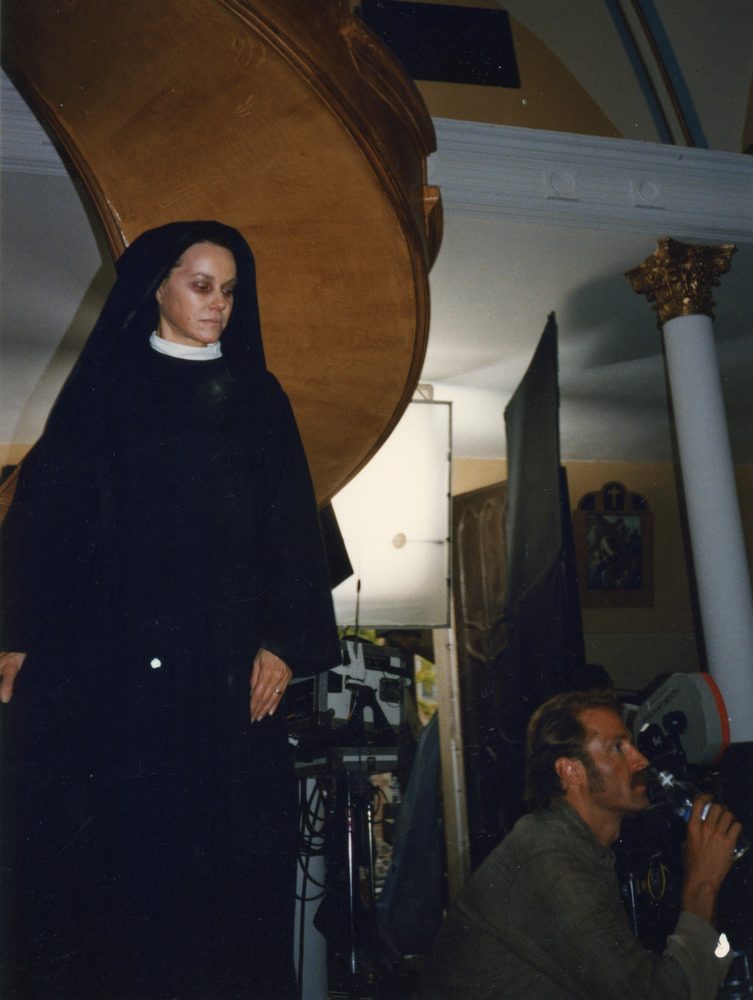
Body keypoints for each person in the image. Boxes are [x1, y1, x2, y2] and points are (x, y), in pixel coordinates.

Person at [0, 220, 341, 999]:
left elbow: (290, 525)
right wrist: (15, 636)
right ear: (157, 286)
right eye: (200, 284)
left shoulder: (257, 397)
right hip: (109, 674)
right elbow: (48, 520)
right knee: (112, 877)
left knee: (218, 885)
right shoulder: (105, 390)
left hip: (217, 679)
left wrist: (282, 643)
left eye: (229, 290)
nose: (217, 303)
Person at [416, 689, 741, 1000]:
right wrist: (703, 884)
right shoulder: (550, 862)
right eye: (618, 747)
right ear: (570, 771)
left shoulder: (573, 845)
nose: (641, 760)